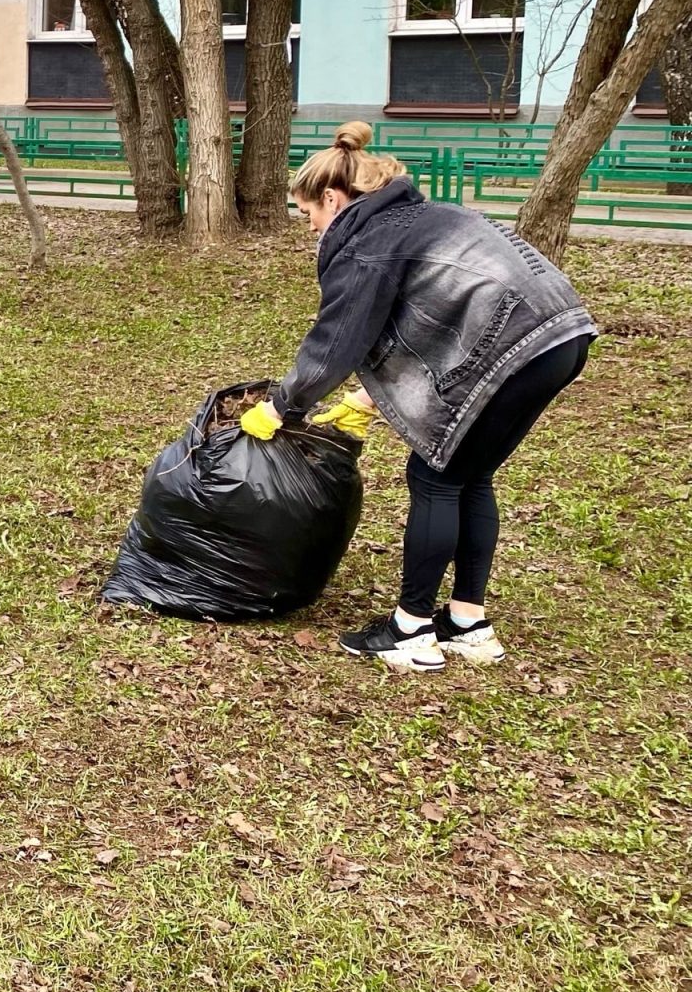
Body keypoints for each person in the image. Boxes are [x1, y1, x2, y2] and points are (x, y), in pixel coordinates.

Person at [239, 122, 597, 672]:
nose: (311, 227)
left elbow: (338, 338)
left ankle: (410, 629)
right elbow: (429, 319)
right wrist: (369, 397)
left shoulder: (368, 241)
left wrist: (283, 405)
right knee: (471, 477)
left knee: (436, 476)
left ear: (333, 198)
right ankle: (467, 622)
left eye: (308, 212)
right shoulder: (419, 217)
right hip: (561, 336)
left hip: (520, 343)